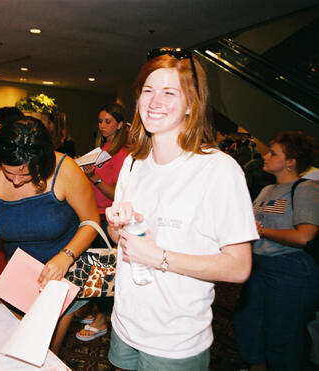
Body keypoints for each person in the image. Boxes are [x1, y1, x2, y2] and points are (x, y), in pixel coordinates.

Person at [105, 47, 258, 371]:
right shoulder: (133, 162)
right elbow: (118, 238)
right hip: (125, 324)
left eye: (169, 92)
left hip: (176, 340)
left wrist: (159, 257)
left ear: (191, 103)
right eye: (148, 91)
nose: (154, 102)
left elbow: (238, 267)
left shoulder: (218, 170)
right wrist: (117, 226)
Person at [0, 117, 99, 354]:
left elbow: (91, 222)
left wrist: (66, 256)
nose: (17, 181)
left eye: (26, 175)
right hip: (22, 274)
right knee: (16, 345)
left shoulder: (65, 170)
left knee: (45, 350)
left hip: (66, 273)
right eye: (10, 173)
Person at [234, 131, 319, 371]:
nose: (264, 156)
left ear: (291, 161)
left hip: (290, 270)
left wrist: (262, 232)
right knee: (251, 326)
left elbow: (304, 236)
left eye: (273, 153)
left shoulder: (305, 189)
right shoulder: (266, 191)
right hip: (259, 266)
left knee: (282, 334)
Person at [76, 103, 129, 342]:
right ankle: (96, 311)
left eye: (108, 121)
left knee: (102, 270)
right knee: (92, 267)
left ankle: (102, 320)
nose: (103, 125)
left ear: (119, 124)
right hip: (91, 213)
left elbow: (118, 194)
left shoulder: (123, 154)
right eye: (100, 121)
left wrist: (94, 178)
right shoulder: (102, 149)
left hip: (107, 217)